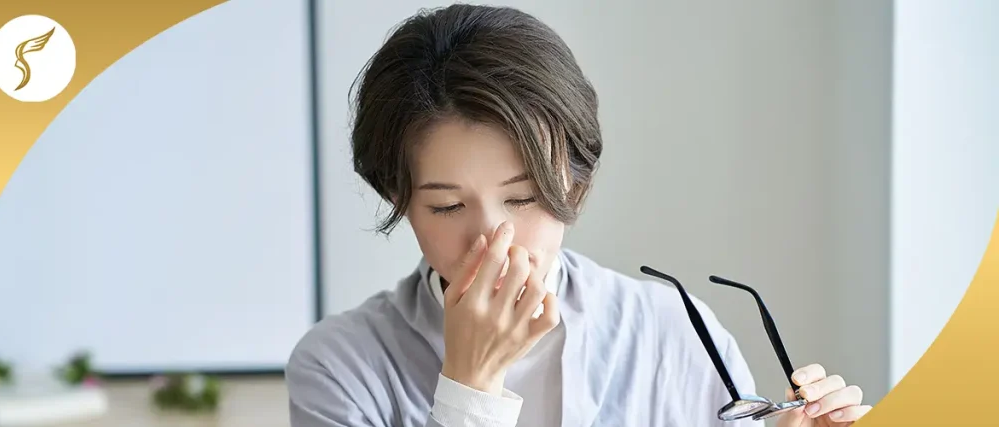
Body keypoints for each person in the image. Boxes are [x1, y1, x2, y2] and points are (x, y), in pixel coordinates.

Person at [286, 4, 871, 427]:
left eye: (523, 197)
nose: (495, 238)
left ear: (576, 183)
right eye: (447, 205)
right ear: (399, 199)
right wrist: (470, 391)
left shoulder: (673, 332)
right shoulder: (342, 367)